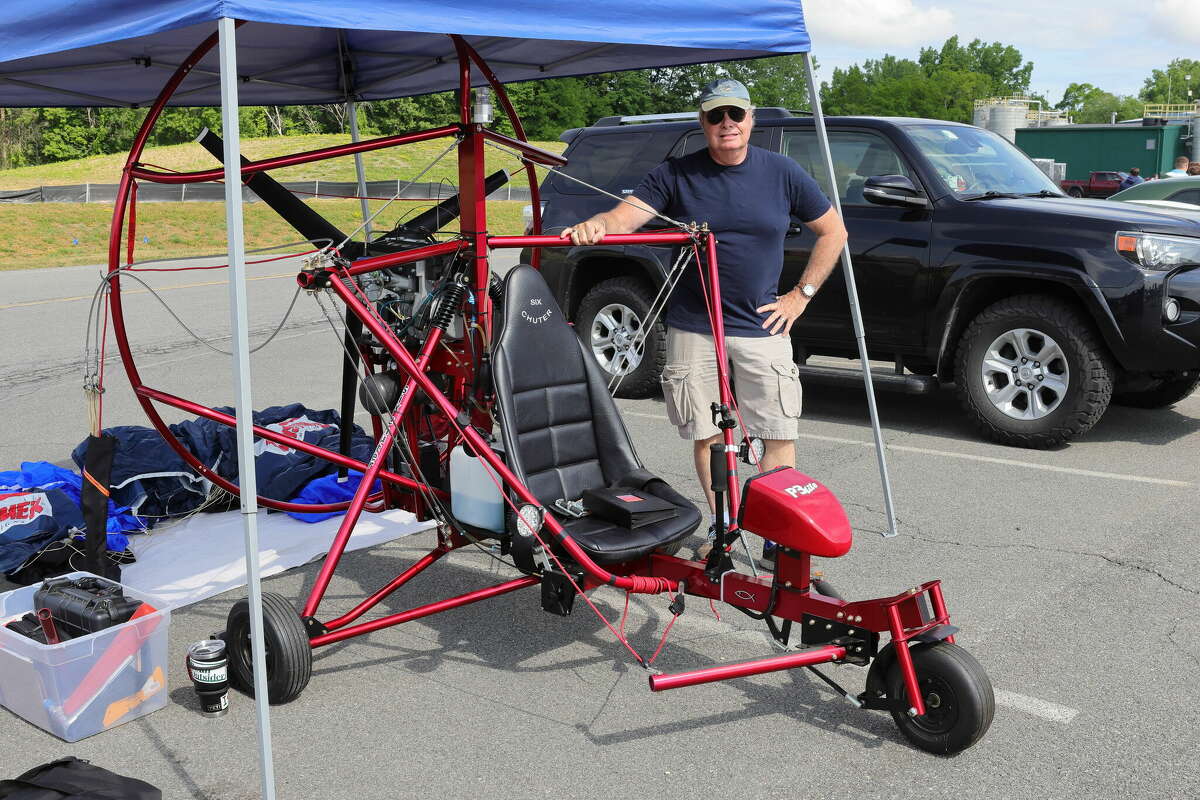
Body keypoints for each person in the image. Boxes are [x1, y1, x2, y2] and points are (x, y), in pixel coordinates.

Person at [560, 78, 848, 562]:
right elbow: (624, 218)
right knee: (706, 433)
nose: (727, 124)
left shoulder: (782, 172)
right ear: (703, 123)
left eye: (735, 114)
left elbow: (833, 231)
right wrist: (596, 226)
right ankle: (724, 528)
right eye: (716, 116)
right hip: (694, 325)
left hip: (763, 327)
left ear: (751, 119)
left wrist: (801, 296)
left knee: (777, 431)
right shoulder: (676, 174)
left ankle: (776, 535)